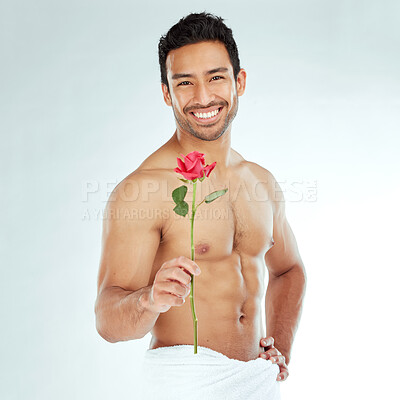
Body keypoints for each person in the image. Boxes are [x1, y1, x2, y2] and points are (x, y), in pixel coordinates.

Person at [94, 12, 306, 399]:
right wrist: (149, 299)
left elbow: (289, 270)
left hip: (256, 381)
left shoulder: (260, 181)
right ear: (166, 93)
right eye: (185, 83)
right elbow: (108, 320)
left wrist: (281, 347)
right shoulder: (142, 190)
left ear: (239, 82)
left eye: (216, 77)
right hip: (185, 382)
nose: (204, 97)